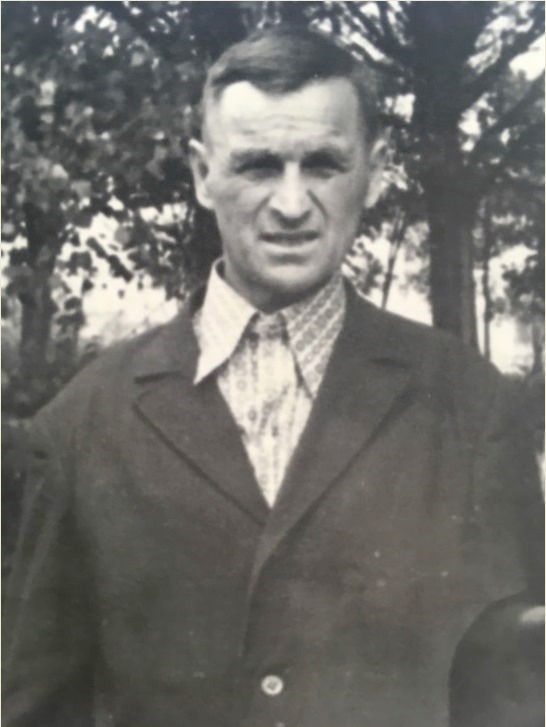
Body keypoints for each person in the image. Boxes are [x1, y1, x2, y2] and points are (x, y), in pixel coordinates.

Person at [3, 26, 543, 727]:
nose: (291, 204)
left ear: (375, 171)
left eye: (322, 164)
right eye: (258, 166)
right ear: (202, 174)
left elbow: (520, 694)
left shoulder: (472, 407)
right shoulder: (81, 426)